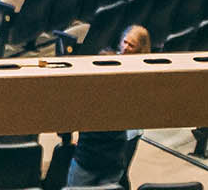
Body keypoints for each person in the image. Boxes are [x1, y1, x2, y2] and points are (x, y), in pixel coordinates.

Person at [64, 25, 152, 187]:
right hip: (104, 152)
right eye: (125, 42)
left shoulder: (140, 74)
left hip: (119, 143)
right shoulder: (109, 60)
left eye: (131, 45)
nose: (125, 48)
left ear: (140, 50)